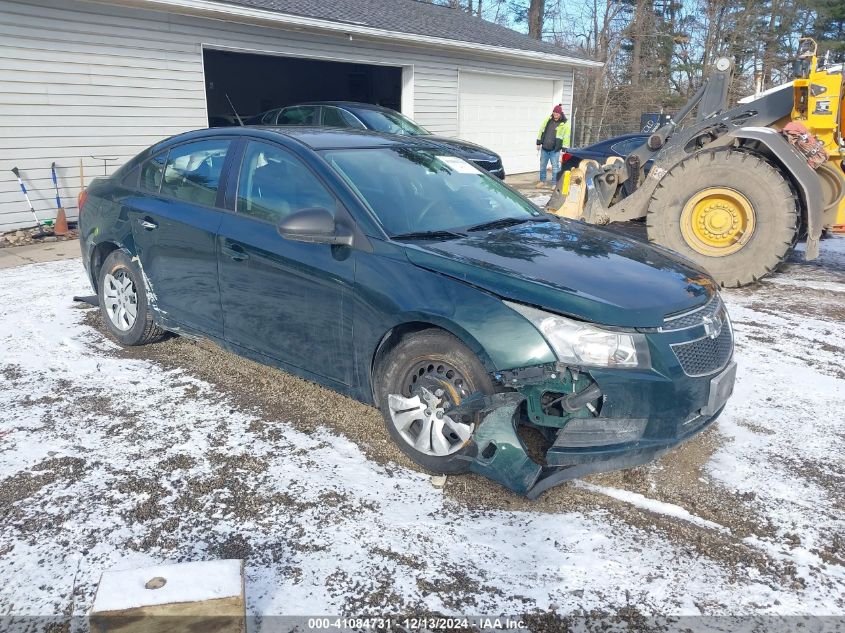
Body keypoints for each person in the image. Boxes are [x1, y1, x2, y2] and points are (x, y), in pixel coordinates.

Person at [536, 104, 570, 187]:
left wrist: (564, 149)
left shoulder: (564, 123)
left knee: (555, 167)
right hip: (545, 148)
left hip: (555, 150)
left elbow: (566, 137)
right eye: (554, 112)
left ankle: (554, 183)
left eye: (557, 113)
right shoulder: (548, 120)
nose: (555, 114)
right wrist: (538, 143)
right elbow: (542, 130)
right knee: (542, 165)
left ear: (560, 113)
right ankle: (542, 181)